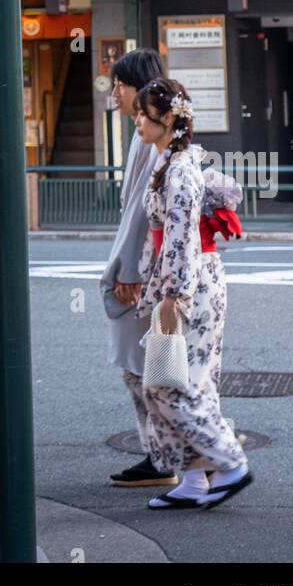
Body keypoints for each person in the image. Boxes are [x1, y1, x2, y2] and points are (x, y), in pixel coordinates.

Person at [133, 78, 252, 510]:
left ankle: (229, 462)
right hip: (187, 281)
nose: (136, 119)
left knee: (175, 385)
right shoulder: (170, 162)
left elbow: (180, 237)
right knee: (177, 381)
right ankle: (195, 477)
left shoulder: (179, 170)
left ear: (166, 118)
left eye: (142, 113)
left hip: (190, 286)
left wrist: (171, 296)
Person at [100, 48, 178, 489]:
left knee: (144, 365)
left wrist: (127, 269)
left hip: (146, 275)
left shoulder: (150, 141)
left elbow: (139, 212)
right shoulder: (145, 135)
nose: (115, 93)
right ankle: (167, 452)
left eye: (121, 85)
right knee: (148, 365)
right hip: (150, 272)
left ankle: (167, 454)